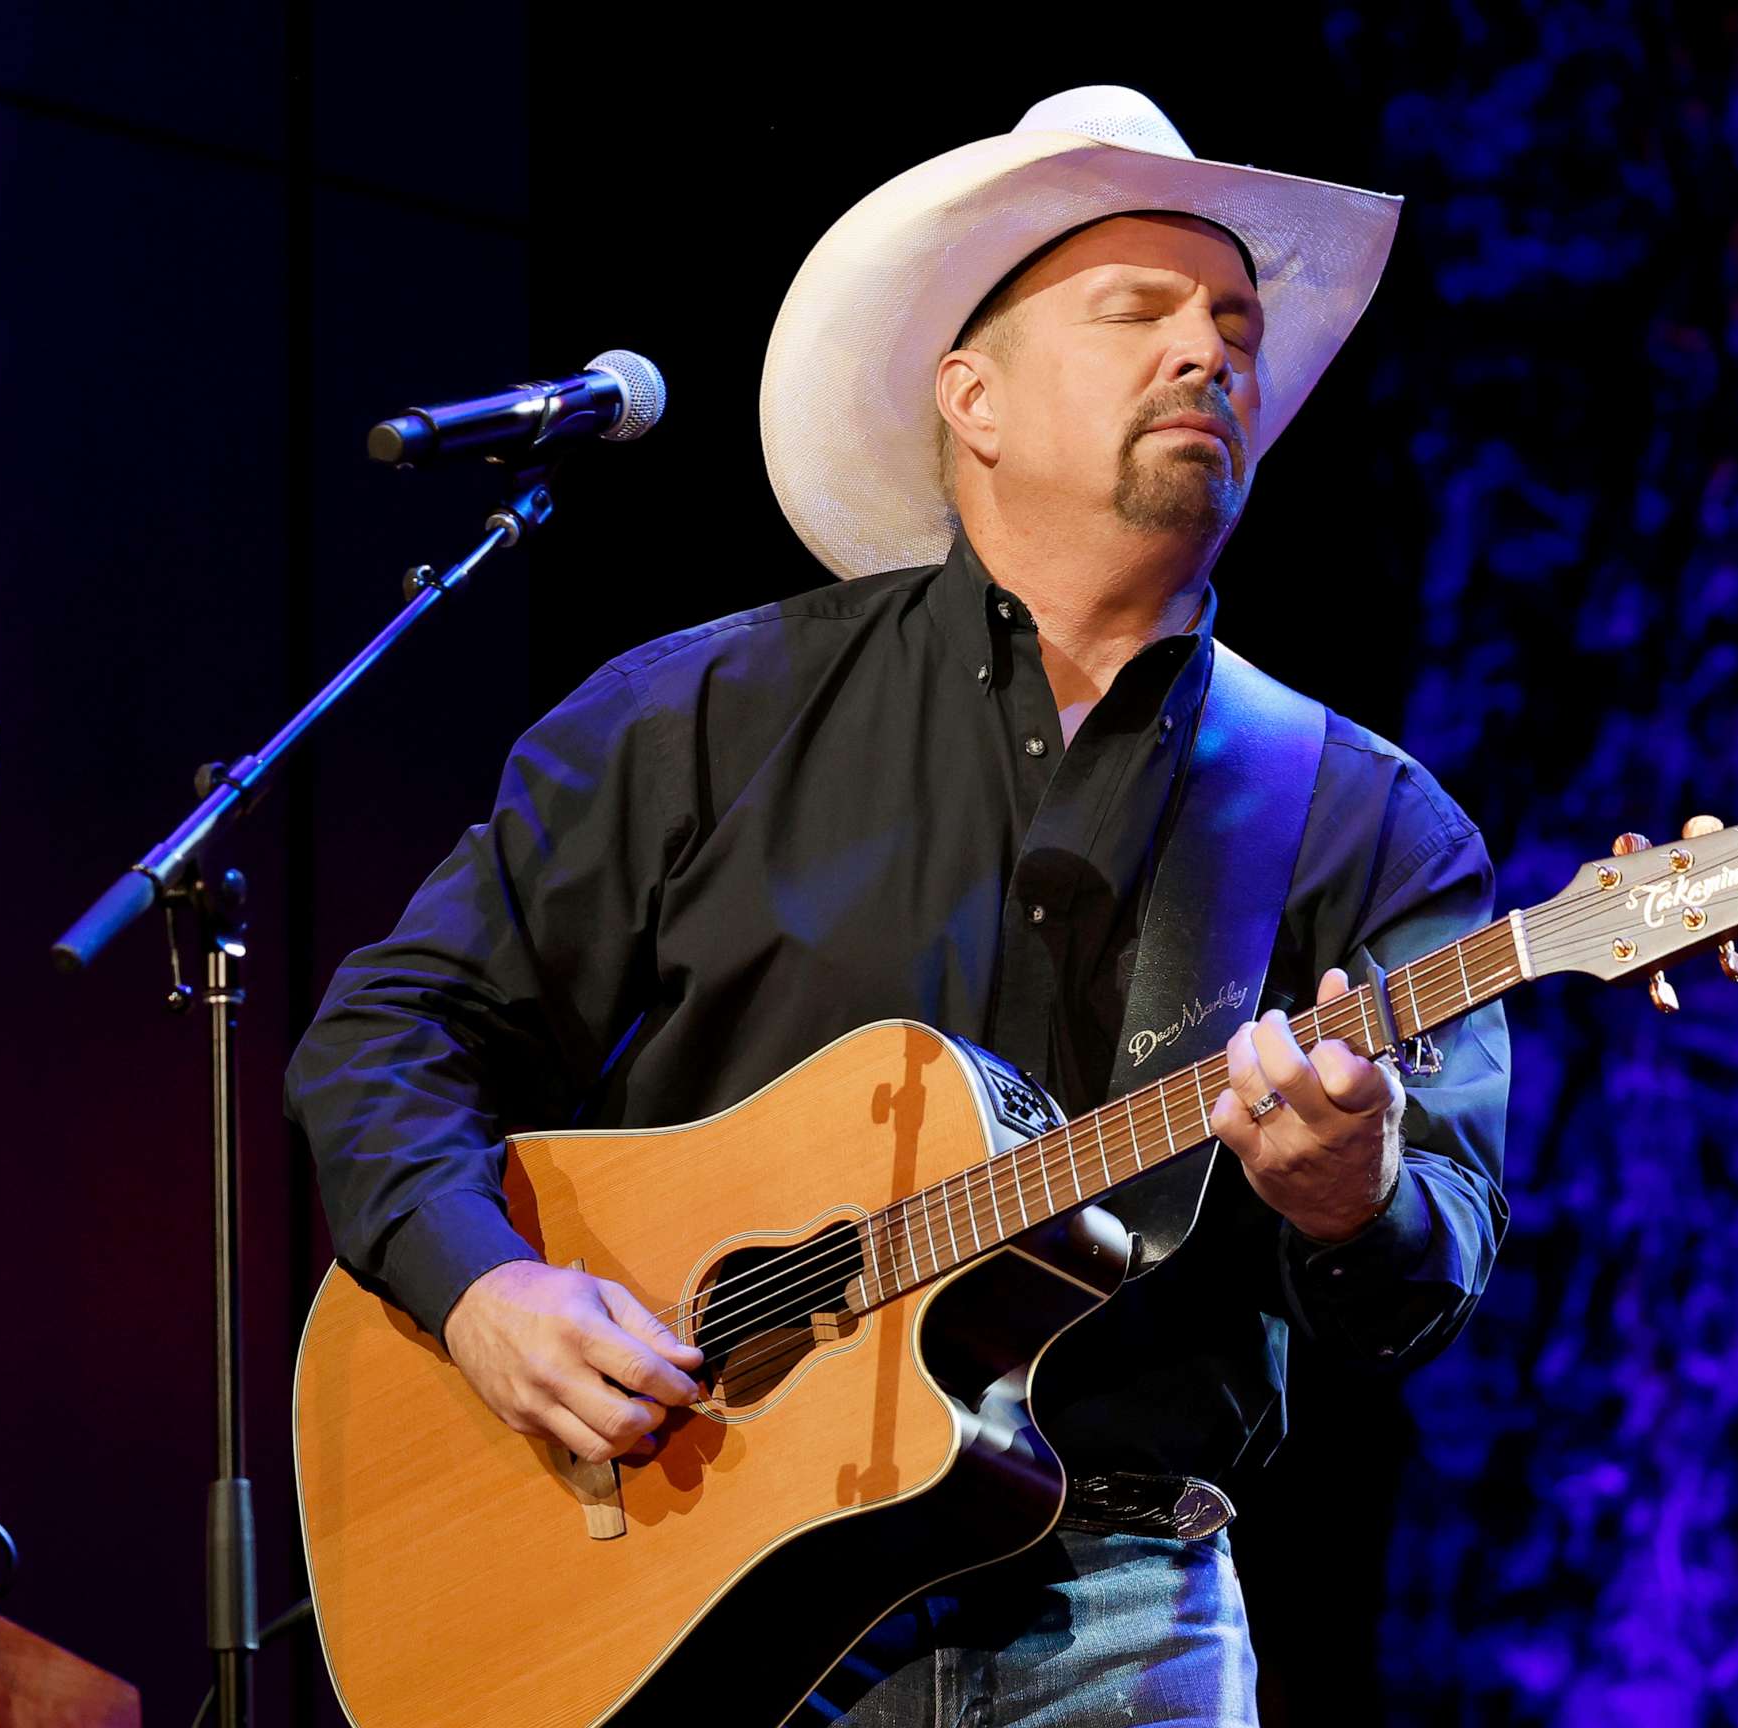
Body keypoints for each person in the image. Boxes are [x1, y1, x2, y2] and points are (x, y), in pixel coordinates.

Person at [284, 86, 1509, 1727]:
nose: (1211, 352)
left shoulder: (1360, 815)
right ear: (972, 398)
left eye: (1232, 322)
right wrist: (483, 1287)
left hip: (1118, 1608)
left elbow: (1435, 1264)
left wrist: (1356, 1193)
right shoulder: (700, 716)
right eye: (1139, 313)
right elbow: (389, 1033)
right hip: (684, 1574)